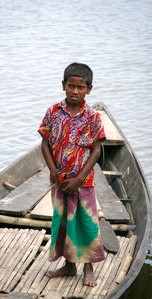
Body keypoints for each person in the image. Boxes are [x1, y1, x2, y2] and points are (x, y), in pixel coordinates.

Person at [38, 62, 106, 287]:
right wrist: (54, 172)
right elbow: (45, 144)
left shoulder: (92, 117)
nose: (75, 91)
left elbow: (96, 151)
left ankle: (88, 268)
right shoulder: (53, 112)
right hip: (58, 181)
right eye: (71, 86)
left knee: (86, 223)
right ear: (63, 85)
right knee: (63, 223)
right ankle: (69, 265)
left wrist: (78, 179)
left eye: (80, 87)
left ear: (89, 89)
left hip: (82, 182)